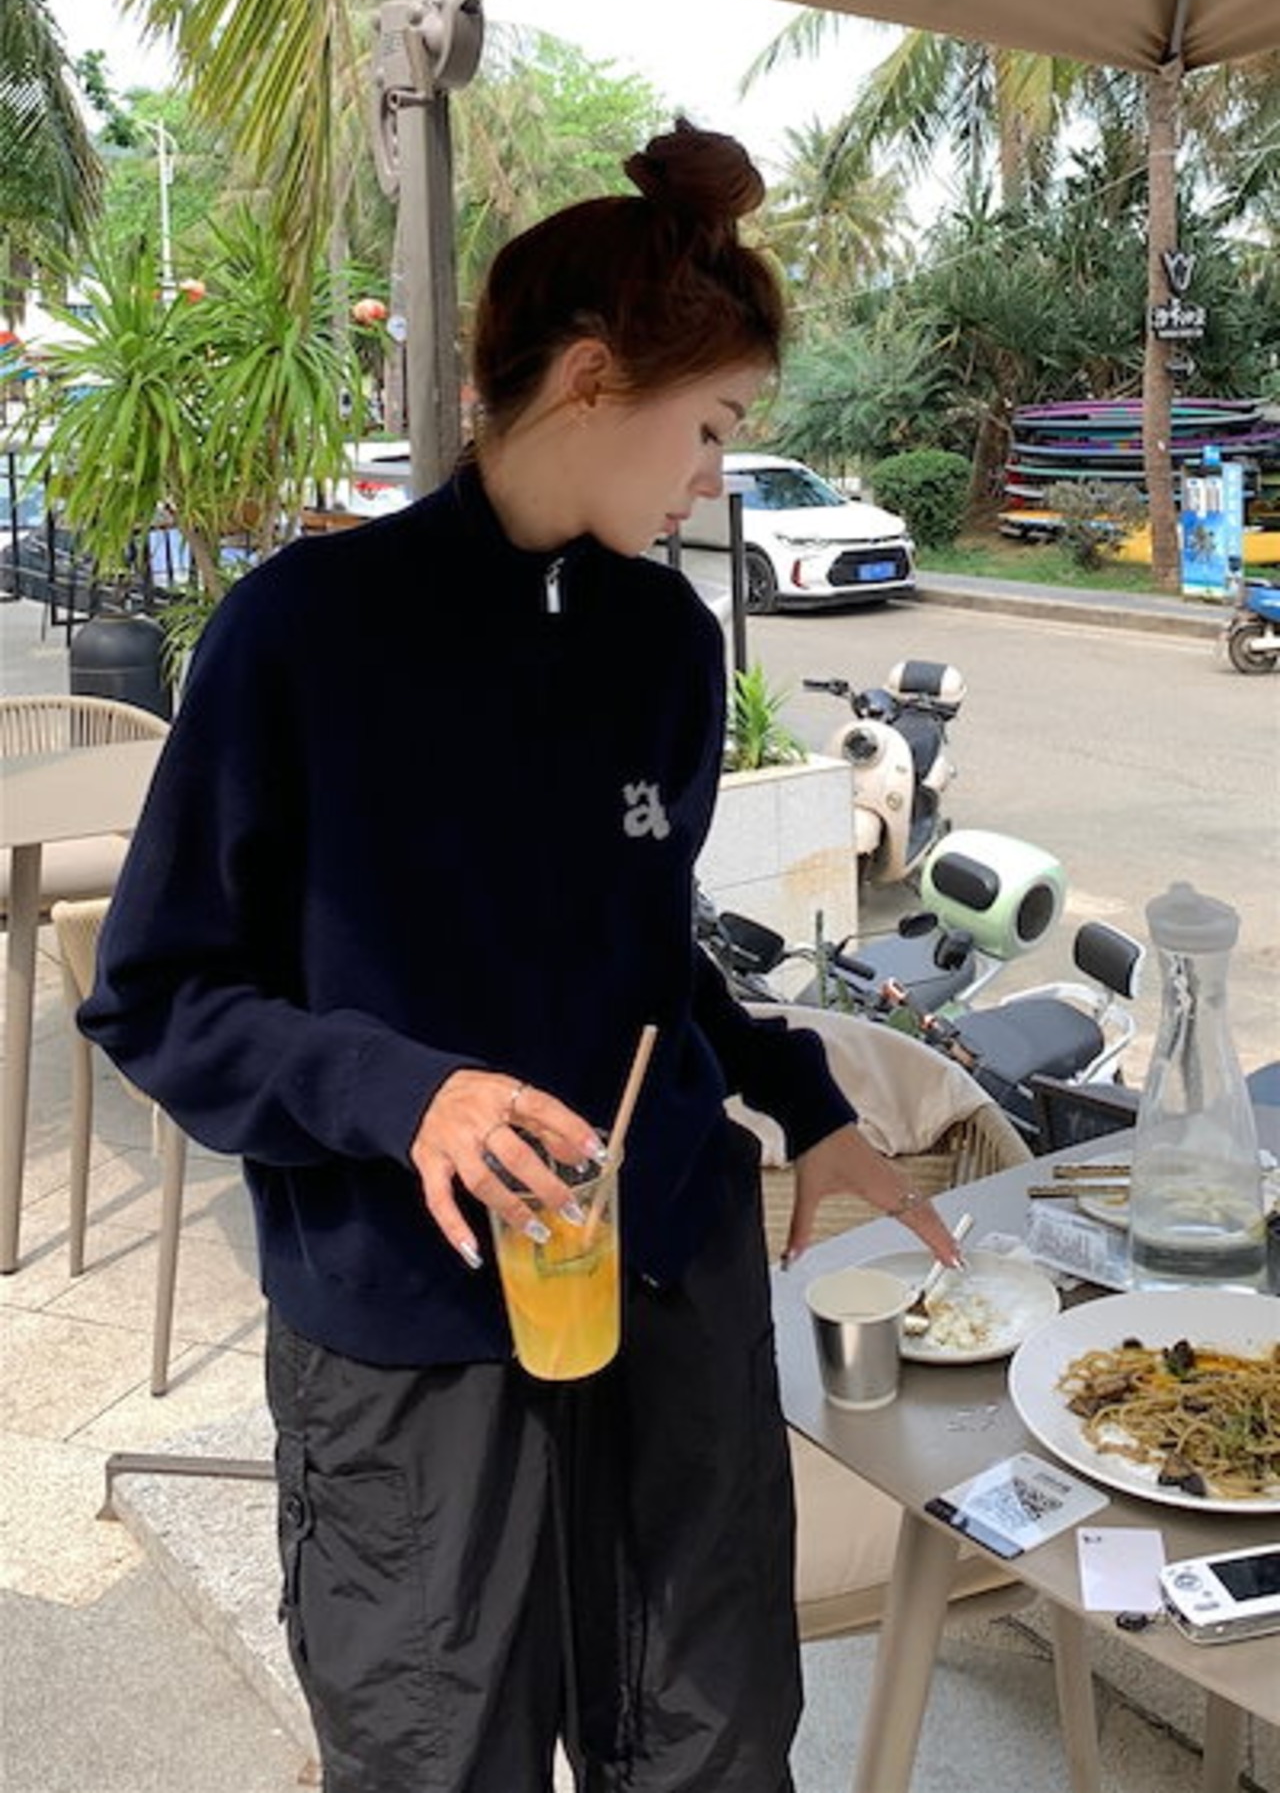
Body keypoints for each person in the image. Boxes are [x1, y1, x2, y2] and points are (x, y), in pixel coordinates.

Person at [82, 120, 959, 1793]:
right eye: (711, 427)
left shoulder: (666, 644)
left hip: (669, 1284)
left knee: (712, 1748)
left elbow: (648, 957)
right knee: (437, 1755)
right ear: (589, 377)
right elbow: (160, 993)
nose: (713, 476)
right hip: (409, 1328)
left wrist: (804, 1099)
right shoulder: (306, 636)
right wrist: (404, 1094)